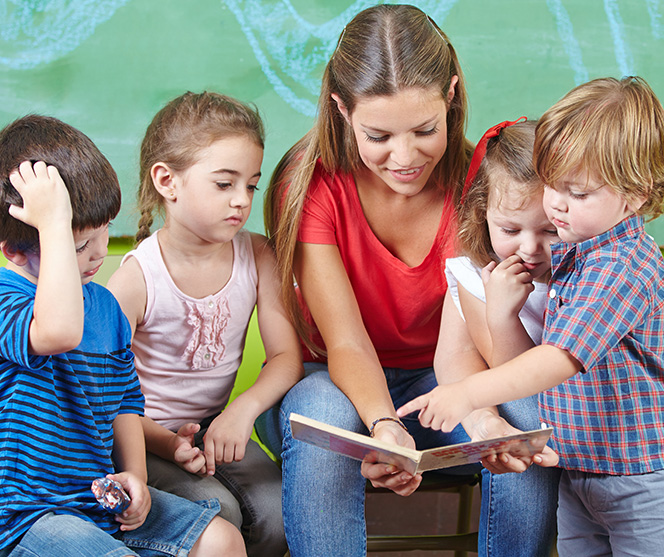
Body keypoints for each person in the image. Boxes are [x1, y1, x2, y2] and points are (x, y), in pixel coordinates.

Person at [255, 5, 559, 556]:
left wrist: (483, 414)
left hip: (445, 382)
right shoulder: (310, 183)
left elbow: (480, 344)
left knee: (526, 424)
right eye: (378, 135)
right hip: (337, 384)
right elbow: (345, 340)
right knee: (324, 411)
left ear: (451, 95)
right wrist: (382, 426)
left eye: (424, 130)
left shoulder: (480, 185)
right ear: (341, 110)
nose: (404, 157)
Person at [399, 76, 664, 555]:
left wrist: (466, 393)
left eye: (579, 193)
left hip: (648, 474)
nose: (559, 206)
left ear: (637, 194)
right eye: (555, 186)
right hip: (586, 471)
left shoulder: (621, 264)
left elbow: (557, 360)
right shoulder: (578, 254)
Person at [0, 114, 245, 556]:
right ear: (15, 251)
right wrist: (54, 222)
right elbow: (58, 330)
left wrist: (134, 474)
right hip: (24, 519)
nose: (99, 253)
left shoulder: (105, 308)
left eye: (103, 232)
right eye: (78, 245)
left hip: (96, 501)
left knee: (221, 540)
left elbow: (124, 404)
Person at [107, 92, 302, 557]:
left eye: (251, 186)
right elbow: (104, 395)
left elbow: (285, 356)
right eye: (223, 184)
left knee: (279, 517)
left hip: (214, 424)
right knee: (217, 514)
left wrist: (242, 411)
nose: (241, 201)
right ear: (167, 181)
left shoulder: (257, 255)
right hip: (141, 436)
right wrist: (168, 443)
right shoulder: (135, 280)